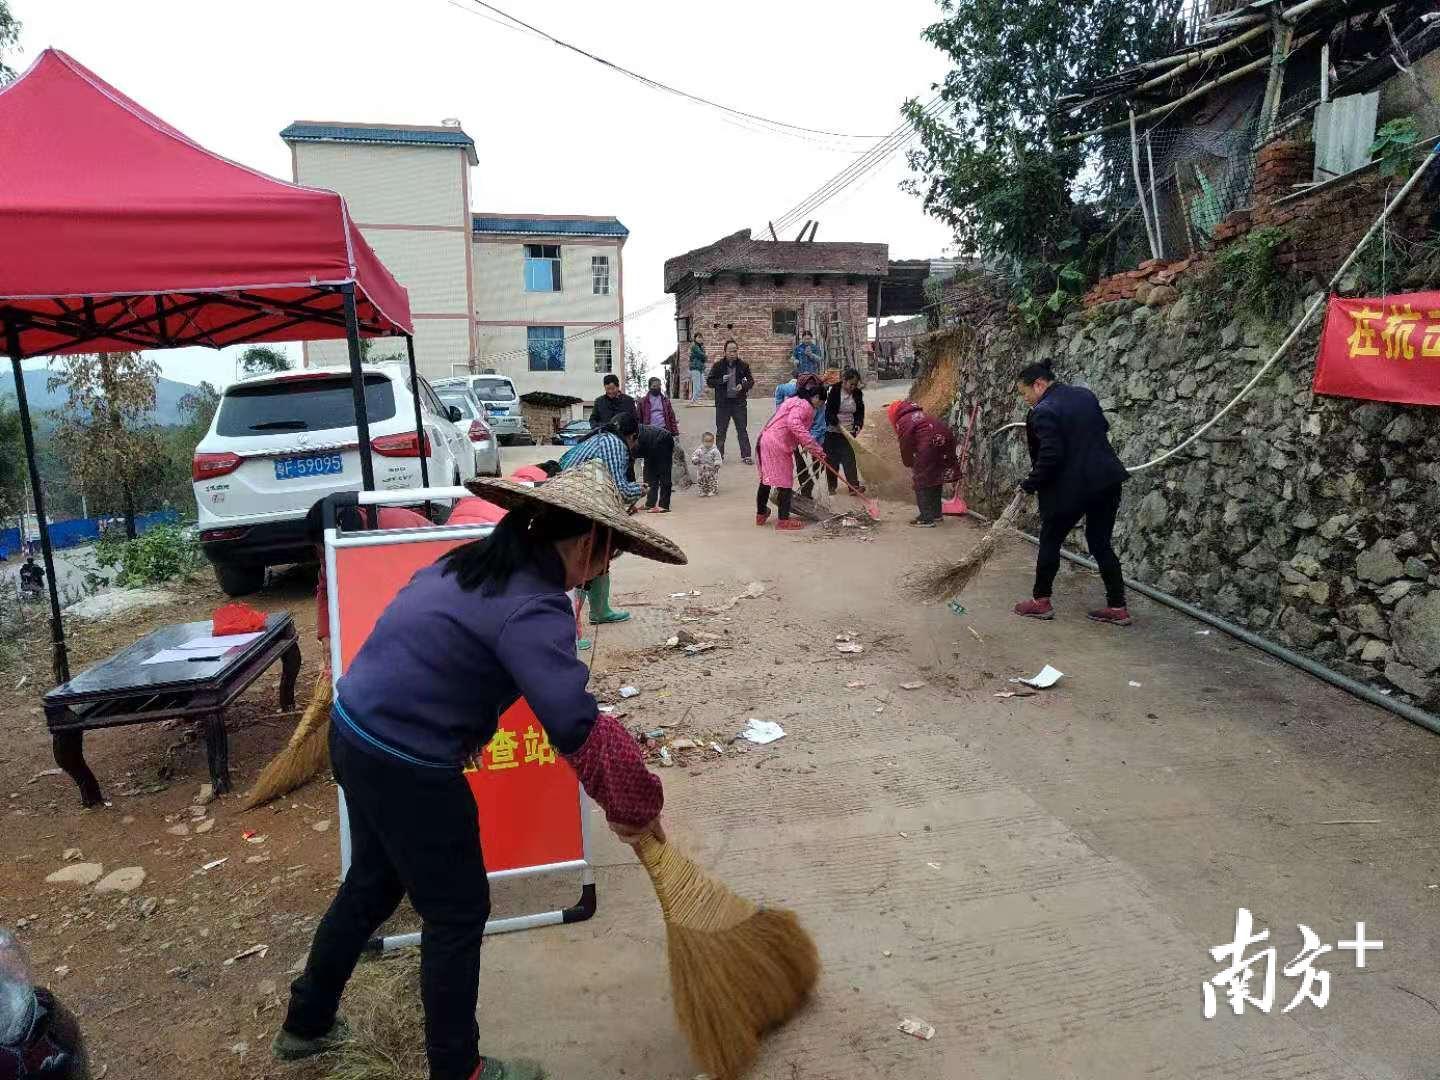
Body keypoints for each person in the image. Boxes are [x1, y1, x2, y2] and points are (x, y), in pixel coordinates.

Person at [275, 462, 681, 1080]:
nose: (607, 568)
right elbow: (575, 723)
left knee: (373, 884)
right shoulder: (534, 605)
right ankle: (458, 1069)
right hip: (408, 764)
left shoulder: (472, 561)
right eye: (612, 553)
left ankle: (307, 1024)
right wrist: (636, 804)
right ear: (586, 543)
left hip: (354, 731)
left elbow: (437, 655)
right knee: (458, 913)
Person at [1012, 362, 1132, 626]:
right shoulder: (1084, 395)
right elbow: (1100, 429)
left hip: (1071, 488)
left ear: (1039, 385)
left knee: (1051, 539)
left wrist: (1030, 483)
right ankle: (1118, 606)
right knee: (1100, 542)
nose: (1026, 399)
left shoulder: (1042, 411)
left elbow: (1050, 455)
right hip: (1107, 481)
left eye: (1025, 393)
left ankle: (1040, 601)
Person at [557, 415, 645, 625]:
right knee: (585, 560)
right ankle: (573, 625)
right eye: (635, 441)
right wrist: (640, 490)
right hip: (579, 504)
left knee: (599, 554)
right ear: (632, 436)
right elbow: (619, 489)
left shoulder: (598, 438)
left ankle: (599, 611)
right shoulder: (615, 444)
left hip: (569, 499)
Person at [306, 501, 431, 645]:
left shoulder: (398, 530)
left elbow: (423, 587)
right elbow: (326, 589)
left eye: (322, 549)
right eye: (320, 549)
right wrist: (327, 636)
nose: (321, 554)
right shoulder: (331, 549)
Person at [755, 380, 826, 531]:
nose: (820, 406)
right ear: (816, 398)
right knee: (785, 482)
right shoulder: (805, 405)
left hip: (766, 439)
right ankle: (783, 520)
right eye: (821, 403)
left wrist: (807, 444)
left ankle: (761, 514)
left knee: (766, 479)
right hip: (777, 444)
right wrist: (815, 447)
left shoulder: (794, 400)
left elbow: (795, 429)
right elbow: (794, 424)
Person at [890, 399, 959, 528]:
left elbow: (905, 445)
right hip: (945, 438)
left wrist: (909, 462)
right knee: (935, 477)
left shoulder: (904, 421)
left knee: (921, 480)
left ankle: (926, 518)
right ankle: (936, 514)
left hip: (930, 444)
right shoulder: (919, 415)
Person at [773, 375, 828, 499]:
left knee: (818, 464)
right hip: (795, 435)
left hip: (813, 435)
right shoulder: (793, 391)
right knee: (801, 464)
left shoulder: (819, 401)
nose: (810, 394)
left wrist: (809, 442)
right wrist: (779, 409)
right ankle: (807, 494)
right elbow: (779, 390)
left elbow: (819, 426)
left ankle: (816, 489)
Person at [705, 340, 754, 464]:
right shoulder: (718, 366)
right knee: (721, 431)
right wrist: (721, 380)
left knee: (742, 429)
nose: (733, 353)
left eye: (735, 350)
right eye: (730, 351)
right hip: (723, 404)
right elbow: (710, 382)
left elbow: (751, 381)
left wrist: (742, 386)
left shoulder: (743, 365)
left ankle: (746, 456)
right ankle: (719, 456)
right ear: (725, 352)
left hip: (739, 403)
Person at [822, 369, 866, 497]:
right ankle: (832, 487)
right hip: (833, 432)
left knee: (849, 459)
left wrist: (858, 424)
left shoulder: (857, 393)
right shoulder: (834, 391)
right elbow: (828, 412)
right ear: (844, 381)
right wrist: (836, 423)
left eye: (855, 385)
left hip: (849, 432)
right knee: (832, 460)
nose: (853, 387)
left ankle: (853, 487)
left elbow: (859, 412)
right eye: (850, 384)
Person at [635, 422, 675, 514]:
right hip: (649, 443)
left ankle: (663, 505)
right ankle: (650, 503)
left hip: (663, 439)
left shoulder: (625, 436)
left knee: (664, 472)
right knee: (649, 474)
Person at [691, 432, 723, 497]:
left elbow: (718, 458)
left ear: (713, 441)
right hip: (701, 469)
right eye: (706, 441)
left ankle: (713, 490)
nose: (708, 443)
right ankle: (702, 490)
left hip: (711, 469)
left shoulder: (715, 451)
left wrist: (717, 464)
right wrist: (695, 459)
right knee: (701, 480)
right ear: (702, 441)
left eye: (710, 441)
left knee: (712, 480)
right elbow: (694, 455)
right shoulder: (699, 450)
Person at [687, 333, 708, 405]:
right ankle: (693, 401)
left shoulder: (701, 347)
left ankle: (696, 399)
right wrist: (703, 355)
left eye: (701, 338)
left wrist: (703, 356)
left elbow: (705, 358)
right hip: (695, 367)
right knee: (697, 385)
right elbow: (702, 355)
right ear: (695, 338)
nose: (700, 339)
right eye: (698, 337)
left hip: (700, 368)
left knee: (702, 385)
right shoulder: (694, 347)